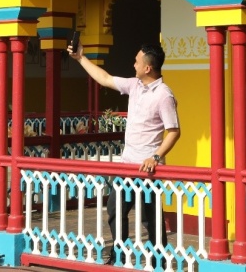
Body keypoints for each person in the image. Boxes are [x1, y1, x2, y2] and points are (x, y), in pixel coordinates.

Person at [68, 42, 180, 265]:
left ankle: (159, 262)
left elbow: (174, 131)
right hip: (126, 165)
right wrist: (81, 58)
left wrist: (155, 157)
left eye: (137, 61)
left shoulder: (164, 95)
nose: (133, 64)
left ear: (148, 68)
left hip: (148, 169)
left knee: (151, 219)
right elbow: (106, 79)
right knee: (115, 210)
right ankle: (119, 254)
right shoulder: (135, 85)